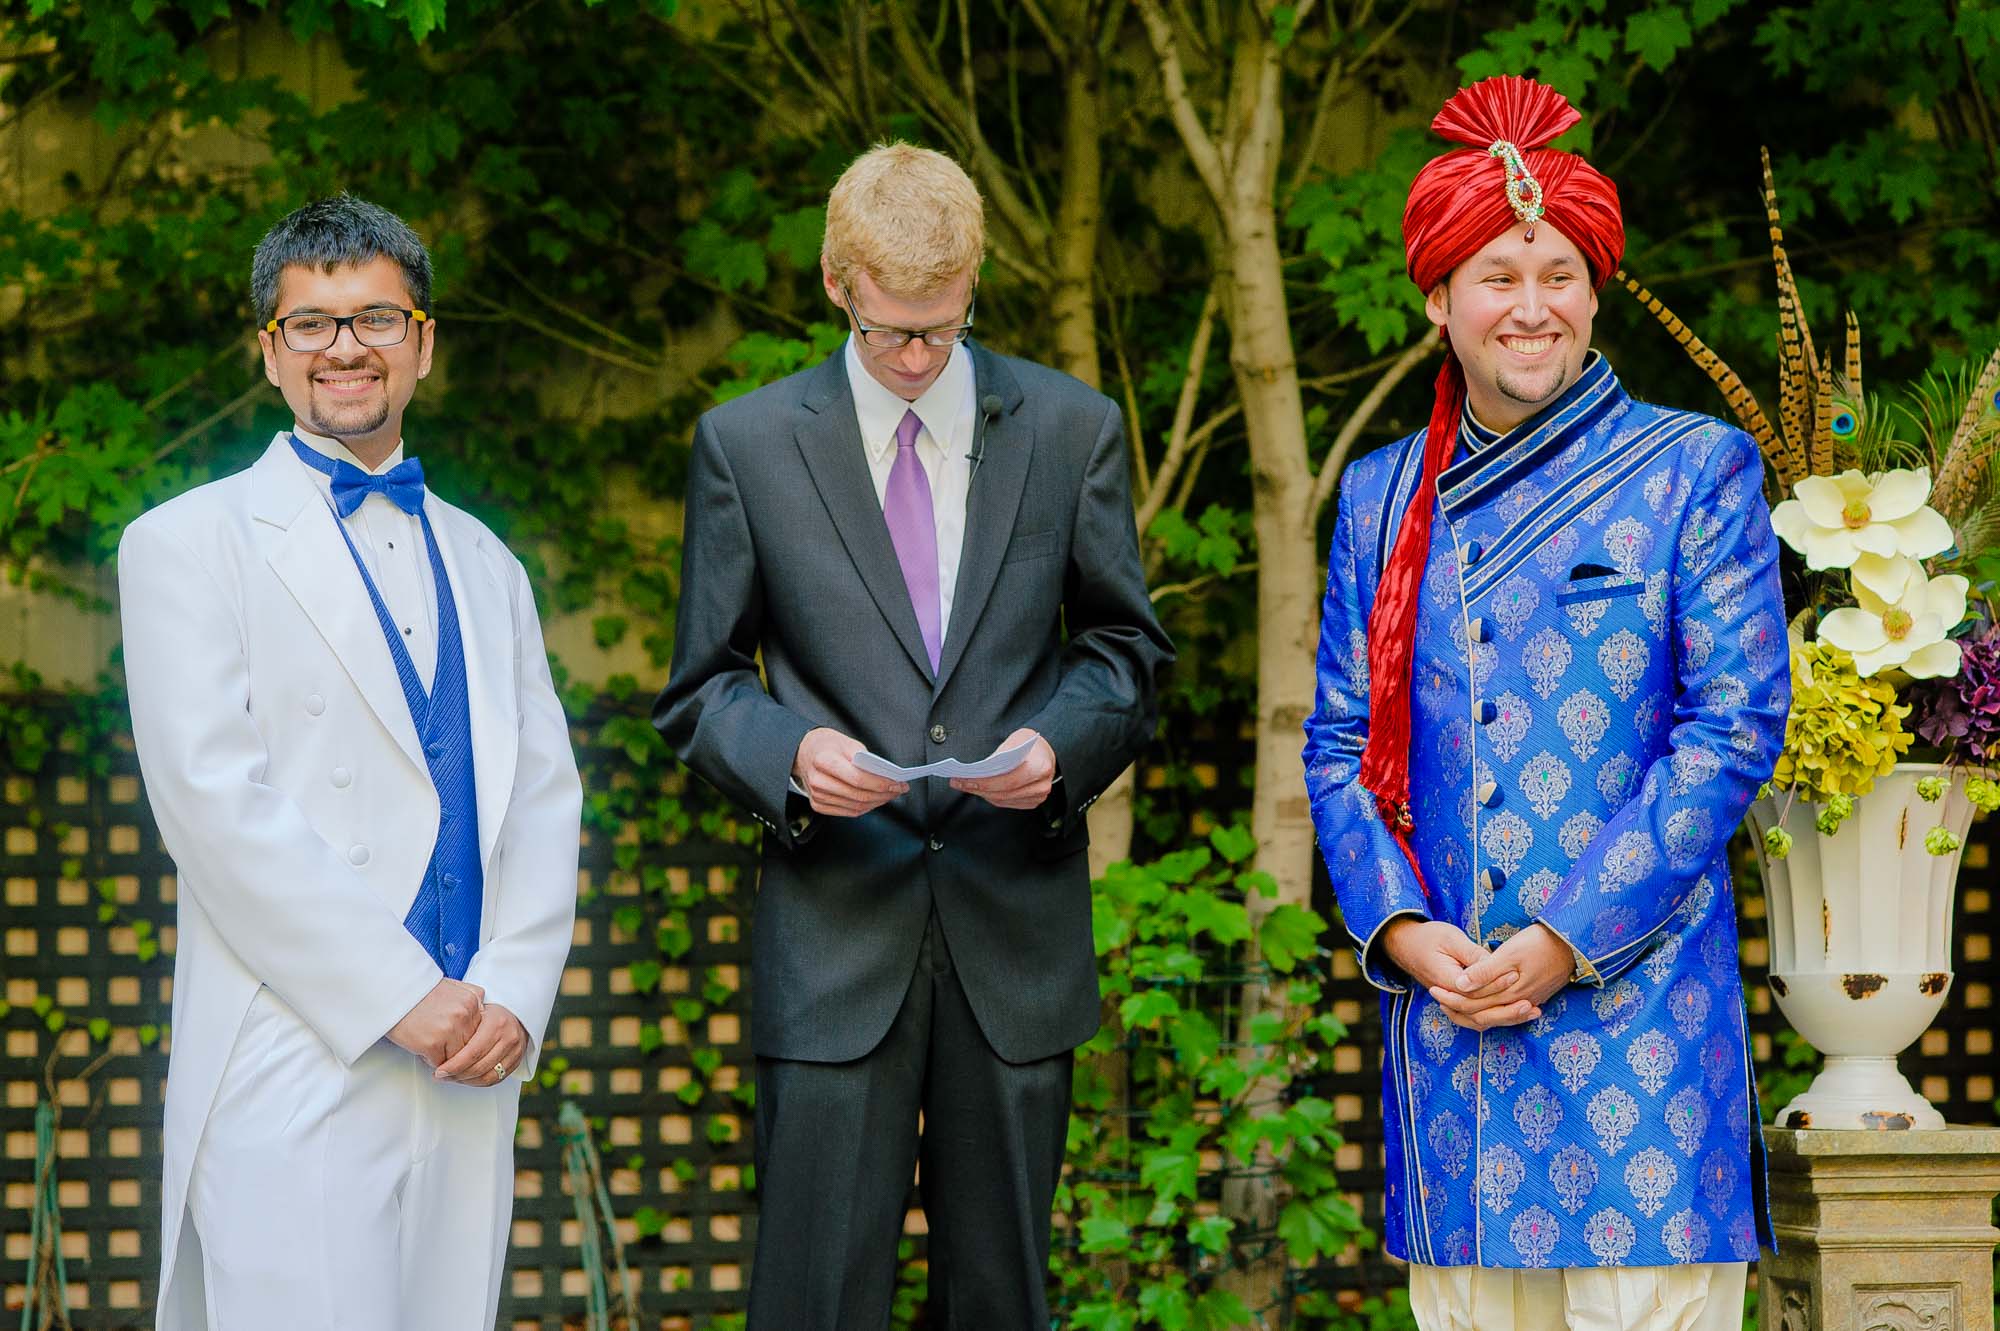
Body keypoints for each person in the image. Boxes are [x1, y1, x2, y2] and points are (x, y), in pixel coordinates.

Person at [655, 142, 1171, 1330]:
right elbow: (700, 688)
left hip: (1015, 934)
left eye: (942, 327)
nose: (915, 356)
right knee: (814, 1298)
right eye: (892, 329)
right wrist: (787, 754)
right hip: (833, 933)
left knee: (1002, 1298)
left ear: (973, 280)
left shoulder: (1070, 427)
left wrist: (1057, 749)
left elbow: (1125, 653)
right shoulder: (745, 446)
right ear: (837, 282)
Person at [1302, 77, 1790, 1328]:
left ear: (1596, 287)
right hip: (1452, 1012)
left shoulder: (1692, 468)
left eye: (1560, 274)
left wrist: (1566, 932)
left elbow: (1729, 727)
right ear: (1437, 300)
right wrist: (1404, 935)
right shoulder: (1377, 493)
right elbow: (1342, 739)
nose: (1532, 307)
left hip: (1638, 1011)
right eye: (1496, 276)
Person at [119, 194, 582, 1331]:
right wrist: (397, 995)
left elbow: (539, 796)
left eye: (374, 317)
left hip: (471, 1052)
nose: (345, 348)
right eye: (312, 324)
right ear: (269, 353)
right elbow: (213, 805)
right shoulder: (183, 542)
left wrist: (511, 997)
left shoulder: (489, 560)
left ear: (423, 340)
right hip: (296, 1042)